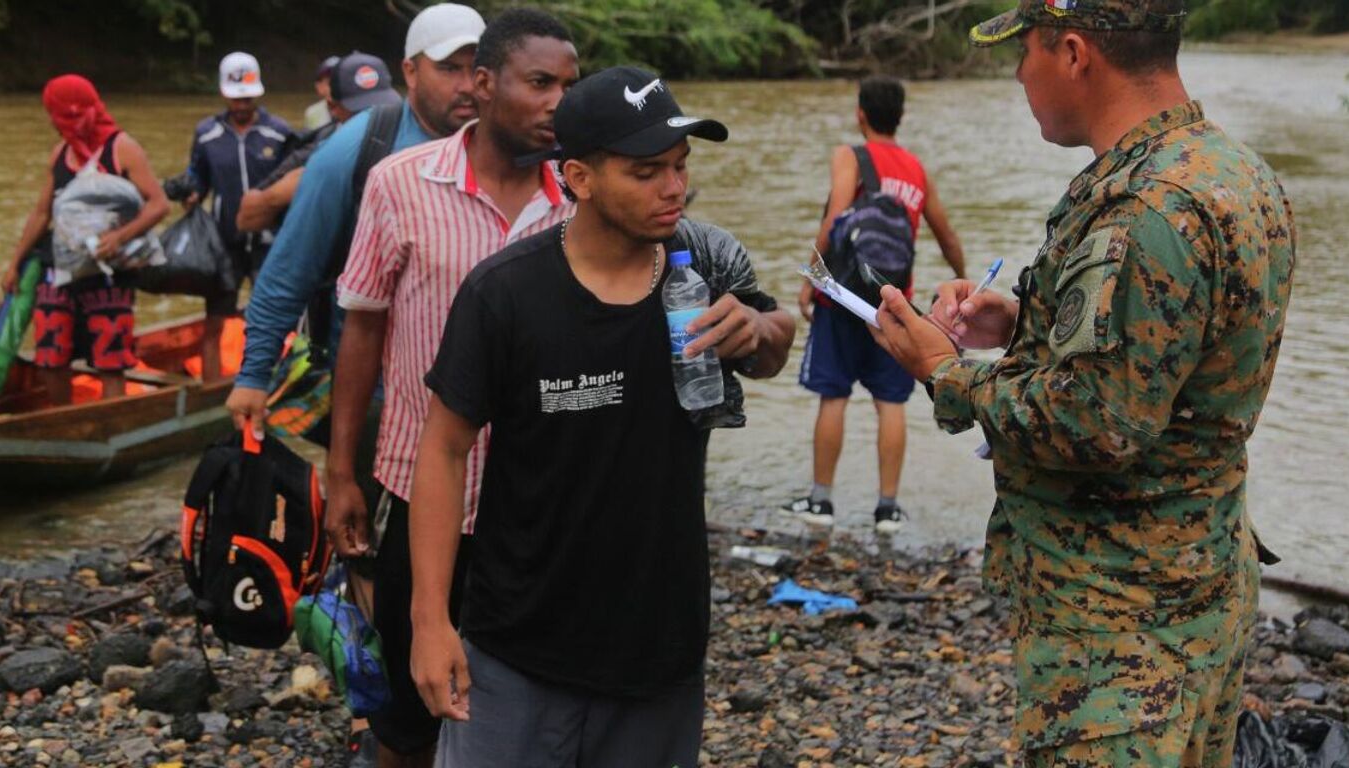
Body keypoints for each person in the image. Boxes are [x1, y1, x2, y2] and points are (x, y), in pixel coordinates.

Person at [867, 1, 1295, 765]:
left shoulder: (1145, 208)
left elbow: (1098, 423)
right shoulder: (1229, 169)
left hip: (1121, 637)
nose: (1019, 75)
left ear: (1072, 52)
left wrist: (946, 372)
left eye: (1022, 52)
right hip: (1201, 595)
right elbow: (1178, 348)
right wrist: (1030, 316)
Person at [410, 66, 796, 767]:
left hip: (661, 650)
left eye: (680, 166)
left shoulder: (699, 270)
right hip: (517, 650)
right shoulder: (505, 294)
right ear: (578, 179)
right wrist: (429, 620)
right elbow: (441, 449)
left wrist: (760, 332)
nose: (673, 188)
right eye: (647, 171)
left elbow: (774, 336)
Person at [332, 12, 578, 766]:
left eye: (570, 86)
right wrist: (341, 472)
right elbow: (364, 331)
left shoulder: (582, 199)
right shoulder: (400, 184)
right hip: (420, 491)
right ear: (483, 84)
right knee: (408, 717)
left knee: (532, 703)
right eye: (540, 83)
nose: (558, 104)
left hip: (542, 504)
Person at [226, 4, 486, 434]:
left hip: (483, 393)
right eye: (447, 69)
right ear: (411, 71)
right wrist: (254, 376)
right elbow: (290, 268)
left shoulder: (506, 148)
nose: (466, 87)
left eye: (475, 70)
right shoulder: (356, 151)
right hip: (379, 395)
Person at [788, 75, 968, 534]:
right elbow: (945, 235)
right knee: (891, 402)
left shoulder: (849, 155)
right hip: (895, 305)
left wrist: (813, 278)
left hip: (844, 297)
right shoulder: (915, 169)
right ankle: (888, 509)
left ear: (860, 114)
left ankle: (820, 502)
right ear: (900, 117)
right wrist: (962, 283)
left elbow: (834, 218)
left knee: (834, 395)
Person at [0, 75, 169, 404]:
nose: (56, 123)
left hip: (109, 274)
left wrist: (120, 237)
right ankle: (63, 419)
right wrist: (14, 264)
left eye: (60, 115)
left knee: (111, 361)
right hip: (59, 269)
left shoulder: (122, 149)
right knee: (49, 357)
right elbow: (40, 213)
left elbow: (158, 204)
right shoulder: (60, 153)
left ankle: (110, 421)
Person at [185, 51, 293, 377]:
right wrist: (188, 194)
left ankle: (272, 380)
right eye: (235, 99)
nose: (242, 106)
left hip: (270, 243)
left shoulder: (280, 133)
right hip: (224, 244)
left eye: (247, 99)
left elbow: (294, 185)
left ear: (258, 93)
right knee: (215, 320)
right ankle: (211, 390)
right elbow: (198, 182)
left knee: (273, 318)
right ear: (223, 94)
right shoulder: (207, 134)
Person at [236, 51, 403, 234]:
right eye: (360, 112)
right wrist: (281, 195)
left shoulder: (407, 147)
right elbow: (246, 219)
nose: (373, 118)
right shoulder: (314, 154)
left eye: (382, 108)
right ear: (333, 107)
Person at [306, 55, 341, 131]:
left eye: (339, 81)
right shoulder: (312, 112)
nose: (336, 87)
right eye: (330, 82)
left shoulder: (360, 111)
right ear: (319, 87)